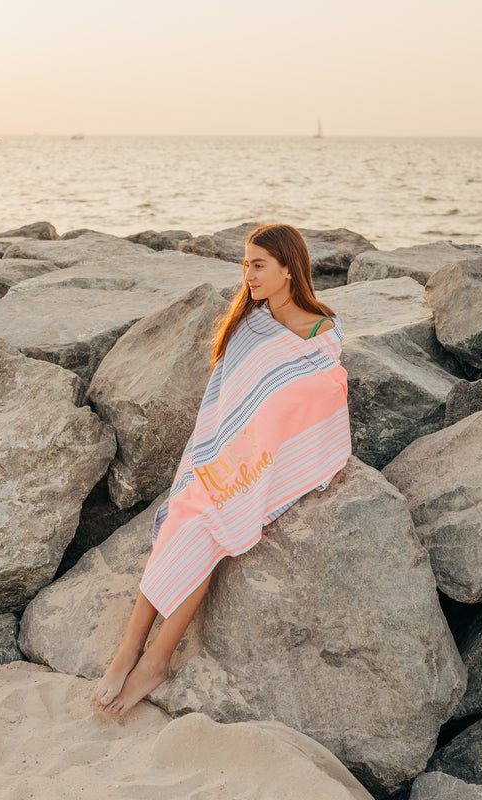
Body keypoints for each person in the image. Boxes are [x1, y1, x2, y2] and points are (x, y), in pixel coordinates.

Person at [93, 223, 352, 715]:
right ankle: (129, 649)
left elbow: (323, 394)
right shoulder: (250, 325)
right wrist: (210, 456)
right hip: (220, 453)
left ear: (288, 269)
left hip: (263, 461)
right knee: (182, 516)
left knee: (208, 531)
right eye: (245, 264)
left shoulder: (322, 331)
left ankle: (155, 660)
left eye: (258, 265)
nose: (248, 275)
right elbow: (225, 402)